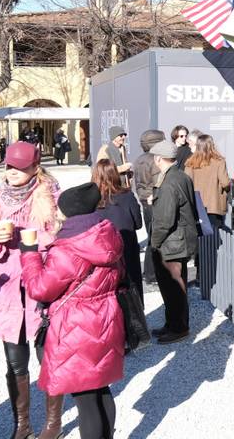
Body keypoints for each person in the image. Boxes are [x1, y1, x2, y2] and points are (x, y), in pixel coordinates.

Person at [0, 141, 64, 439]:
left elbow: (64, 238)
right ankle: (22, 426)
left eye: (20, 168)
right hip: (8, 294)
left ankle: (53, 425)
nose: (13, 173)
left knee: (48, 359)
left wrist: (28, 238)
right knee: (14, 363)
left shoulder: (51, 196)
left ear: (36, 168)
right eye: (9, 167)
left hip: (42, 288)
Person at [21, 182, 124, 439]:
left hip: (76, 326)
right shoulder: (105, 234)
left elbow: (41, 289)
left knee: (85, 399)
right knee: (101, 390)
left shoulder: (69, 248)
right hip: (105, 318)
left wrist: (30, 254)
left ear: (70, 212)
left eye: (59, 208)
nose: (56, 213)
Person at [149, 139, 199, 343]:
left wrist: (155, 242)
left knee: (173, 288)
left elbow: (164, 219)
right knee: (174, 286)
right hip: (178, 240)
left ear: (159, 158)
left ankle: (178, 327)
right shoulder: (180, 176)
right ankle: (172, 323)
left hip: (171, 242)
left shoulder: (169, 182)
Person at [94, 158, 144, 298]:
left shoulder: (92, 199)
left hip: (103, 251)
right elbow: (138, 224)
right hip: (127, 247)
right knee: (132, 288)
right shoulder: (127, 195)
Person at [132, 129, 165, 286]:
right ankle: (152, 273)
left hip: (144, 200)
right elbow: (160, 182)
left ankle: (150, 272)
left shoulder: (139, 160)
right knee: (157, 238)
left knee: (152, 235)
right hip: (155, 200)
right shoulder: (156, 160)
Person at [184, 133, 229, 233]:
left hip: (197, 203)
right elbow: (225, 183)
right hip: (214, 204)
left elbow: (186, 183)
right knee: (214, 233)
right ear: (212, 145)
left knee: (200, 233)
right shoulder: (219, 161)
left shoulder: (190, 163)